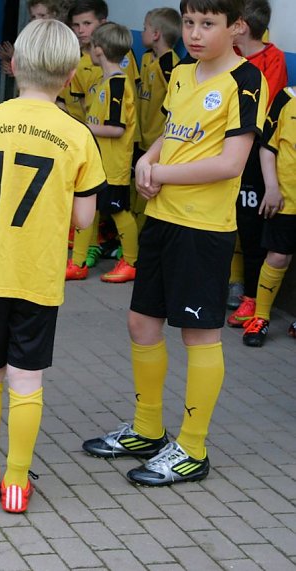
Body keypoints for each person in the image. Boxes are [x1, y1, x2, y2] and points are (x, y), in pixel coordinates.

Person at [82, 0, 268, 487]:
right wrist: (150, 161)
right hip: (163, 219)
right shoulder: (183, 72)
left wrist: (161, 171)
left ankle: (192, 448)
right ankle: (147, 430)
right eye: (189, 22)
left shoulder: (248, 81)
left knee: (198, 335)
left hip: (204, 229)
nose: (195, 33)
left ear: (236, 28)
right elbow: (172, 130)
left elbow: (231, 163)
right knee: (141, 320)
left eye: (208, 24)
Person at [0, 18, 105, 513]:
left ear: (13, 65)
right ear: (73, 71)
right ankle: (18, 481)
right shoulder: (78, 136)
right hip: (38, 277)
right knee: (27, 379)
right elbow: (83, 216)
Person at [226, 0, 288, 327]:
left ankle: (251, 294)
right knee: (234, 219)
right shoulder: (228, 55)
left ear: (242, 26)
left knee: (251, 226)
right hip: (225, 148)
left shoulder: (273, 59)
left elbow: (264, 111)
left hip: (253, 153)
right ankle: (236, 283)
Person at [67, 22, 138, 284]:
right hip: (98, 163)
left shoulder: (118, 84)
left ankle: (131, 262)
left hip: (113, 165)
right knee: (88, 209)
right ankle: (78, 262)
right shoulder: (106, 82)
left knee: (119, 212)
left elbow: (117, 129)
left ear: (99, 50)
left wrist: (84, 127)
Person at [240, 85, 294, 347]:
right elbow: (267, 147)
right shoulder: (286, 98)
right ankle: (260, 318)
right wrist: (271, 187)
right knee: (278, 255)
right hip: (287, 199)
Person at [136, 7, 182, 229]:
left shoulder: (170, 65)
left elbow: (176, 102)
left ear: (156, 34)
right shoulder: (145, 58)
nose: (141, 32)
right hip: (140, 134)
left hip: (156, 139)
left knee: (148, 189)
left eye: (144, 28)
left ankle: (139, 240)